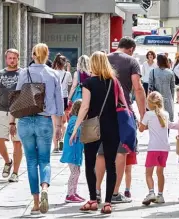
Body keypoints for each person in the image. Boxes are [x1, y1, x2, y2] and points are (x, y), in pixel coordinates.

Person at [9, 43, 64, 215]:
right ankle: (45, 188)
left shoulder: (24, 72)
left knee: (31, 161)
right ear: (47, 55)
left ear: (33, 55)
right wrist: (59, 125)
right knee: (45, 160)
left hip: (25, 121)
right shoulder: (53, 74)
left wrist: (12, 122)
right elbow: (59, 102)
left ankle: (35, 202)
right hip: (44, 120)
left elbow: (17, 98)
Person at [70, 51, 122, 214]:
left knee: (90, 163)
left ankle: (93, 199)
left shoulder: (89, 83)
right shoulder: (114, 82)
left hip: (92, 126)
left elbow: (84, 107)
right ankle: (107, 203)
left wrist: (75, 128)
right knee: (110, 164)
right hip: (112, 127)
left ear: (93, 64)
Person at [107, 37, 146, 203]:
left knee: (102, 153)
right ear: (131, 49)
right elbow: (137, 87)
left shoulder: (104, 59)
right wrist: (144, 115)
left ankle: (97, 192)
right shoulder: (132, 61)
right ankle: (115, 193)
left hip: (103, 111)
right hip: (123, 110)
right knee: (121, 150)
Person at [0, 48, 23, 183]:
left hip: (18, 113)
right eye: (9, 58)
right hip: (2, 111)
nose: (12, 60)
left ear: (18, 58)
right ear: (6, 59)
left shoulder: (23, 74)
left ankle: (15, 172)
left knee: (17, 142)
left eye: (14, 58)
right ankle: (8, 161)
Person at [139, 91, 170, 205]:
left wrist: (141, 123)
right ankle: (160, 195)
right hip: (164, 147)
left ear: (149, 103)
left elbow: (141, 129)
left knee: (148, 172)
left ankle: (151, 192)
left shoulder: (148, 115)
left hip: (153, 147)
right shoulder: (165, 114)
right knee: (160, 172)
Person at [60, 99, 85, 203]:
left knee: (77, 172)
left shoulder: (76, 119)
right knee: (74, 173)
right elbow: (71, 130)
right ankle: (70, 194)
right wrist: (81, 128)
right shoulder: (74, 119)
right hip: (72, 151)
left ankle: (73, 192)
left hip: (75, 151)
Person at [52, 53, 73, 153]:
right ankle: (62, 139)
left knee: (54, 124)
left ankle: (55, 146)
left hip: (54, 98)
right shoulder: (67, 74)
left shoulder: (52, 72)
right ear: (64, 64)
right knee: (63, 122)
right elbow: (70, 84)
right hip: (64, 98)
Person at [148, 54, 175, 122]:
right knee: (167, 121)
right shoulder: (170, 73)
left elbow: (150, 86)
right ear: (166, 61)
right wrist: (172, 99)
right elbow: (172, 88)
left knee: (156, 120)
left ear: (158, 61)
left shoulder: (153, 72)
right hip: (167, 99)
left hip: (155, 99)